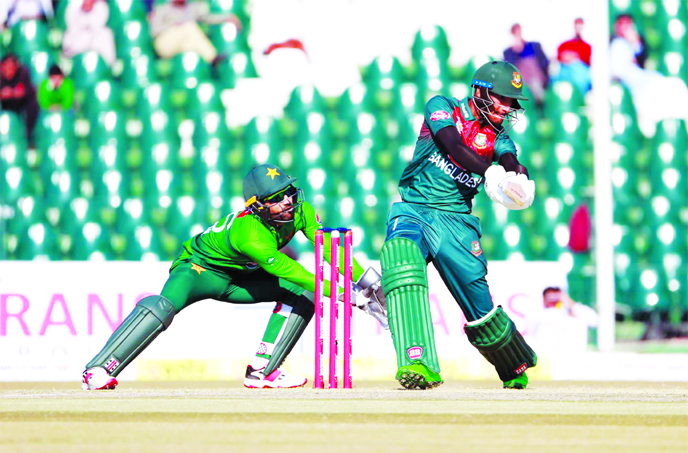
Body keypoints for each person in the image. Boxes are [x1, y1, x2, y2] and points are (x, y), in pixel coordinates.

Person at [82, 164, 387, 390]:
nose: (288, 202)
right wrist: (353, 298)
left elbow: (330, 249)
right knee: (161, 307)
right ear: (257, 206)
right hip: (199, 271)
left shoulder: (301, 211)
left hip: (239, 279)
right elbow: (292, 269)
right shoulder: (250, 233)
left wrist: (369, 282)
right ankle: (98, 370)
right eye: (277, 198)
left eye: (289, 193)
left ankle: (262, 371)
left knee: (304, 292)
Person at [380, 61, 537, 390]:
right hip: (414, 209)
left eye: (512, 103)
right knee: (401, 255)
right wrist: (488, 171)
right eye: (502, 99)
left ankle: (512, 361)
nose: (507, 108)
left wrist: (518, 178)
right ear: (480, 92)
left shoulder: (499, 137)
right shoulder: (442, 107)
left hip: (457, 224)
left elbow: (510, 159)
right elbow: (453, 146)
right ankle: (417, 361)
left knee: (480, 307)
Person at [609, 13, 688, 134]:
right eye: (622, 24)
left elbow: (642, 61)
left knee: (674, 86)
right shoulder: (612, 43)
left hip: (641, 75)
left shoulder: (637, 41)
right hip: (630, 81)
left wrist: (635, 43)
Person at [149, 0, 241, 67]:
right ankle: (213, 57)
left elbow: (208, 18)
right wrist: (174, 26)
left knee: (192, 44)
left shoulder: (192, 8)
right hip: (165, 44)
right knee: (189, 26)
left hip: (182, 42)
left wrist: (227, 18)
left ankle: (212, 69)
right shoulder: (163, 9)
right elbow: (154, 31)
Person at [531, 287, 598, 355]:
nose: (554, 303)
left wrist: (571, 305)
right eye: (551, 300)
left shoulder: (576, 317)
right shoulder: (540, 320)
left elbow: (594, 320)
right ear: (544, 300)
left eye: (557, 300)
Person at [503, 23, 549, 106]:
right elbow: (509, 69)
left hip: (536, 78)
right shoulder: (509, 52)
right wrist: (515, 51)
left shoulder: (534, 46)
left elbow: (544, 63)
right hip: (520, 81)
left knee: (537, 91)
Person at [62, 0, 117, 67]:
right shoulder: (73, 5)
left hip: (96, 41)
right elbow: (72, 25)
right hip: (77, 40)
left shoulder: (100, 6)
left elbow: (98, 24)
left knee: (106, 34)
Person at [0, 53, 39, 148]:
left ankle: (29, 137)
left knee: (33, 105)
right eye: (5, 68)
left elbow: (30, 90)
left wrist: (22, 92)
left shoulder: (23, 72)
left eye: (11, 68)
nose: (8, 71)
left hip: (20, 103)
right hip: (4, 104)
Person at [554, 18, 592, 94]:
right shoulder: (565, 44)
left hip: (579, 73)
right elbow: (560, 56)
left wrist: (573, 57)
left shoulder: (587, 46)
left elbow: (586, 59)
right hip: (565, 71)